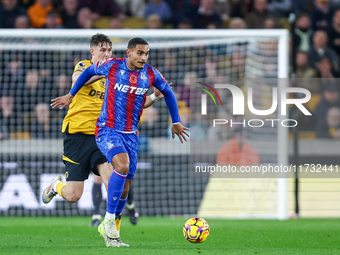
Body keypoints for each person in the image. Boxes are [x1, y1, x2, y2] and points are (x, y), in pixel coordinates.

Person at [50, 37, 189, 246]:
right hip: (82, 133)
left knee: (120, 184)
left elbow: (137, 102)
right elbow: (82, 76)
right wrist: (73, 93)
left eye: (109, 50)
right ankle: (56, 185)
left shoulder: (133, 74)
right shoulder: (97, 67)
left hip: (114, 133)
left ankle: (112, 232)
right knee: (73, 195)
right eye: (102, 50)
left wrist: (157, 97)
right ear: (92, 51)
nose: (106, 53)